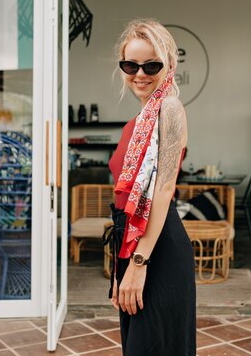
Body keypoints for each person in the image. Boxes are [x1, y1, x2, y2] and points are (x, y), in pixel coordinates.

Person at [106, 19, 195, 355]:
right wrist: (122, 266)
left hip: (159, 251)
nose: (139, 74)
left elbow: (162, 191)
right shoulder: (138, 120)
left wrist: (139, 265)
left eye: (151, 65)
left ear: (169, 65)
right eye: (130, 64)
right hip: (134, 246)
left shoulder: (169, 109)